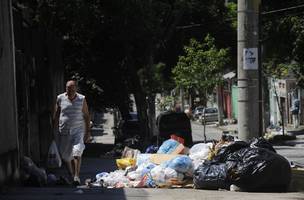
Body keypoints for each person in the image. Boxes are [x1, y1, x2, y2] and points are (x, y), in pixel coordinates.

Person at [53, 80, 91, 185]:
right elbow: (56, 114)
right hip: (64, 131)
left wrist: (88, 132)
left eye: (72, 89)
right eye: (68, 89)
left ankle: (76, 176)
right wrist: (54, 128)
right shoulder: (60, 98)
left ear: (75, 89)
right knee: (66, 156)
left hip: (78, 131)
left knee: (77, 152)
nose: (69, 91)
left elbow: (87, 116)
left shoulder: (81, 99)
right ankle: (71, 174)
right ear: (66, 88)